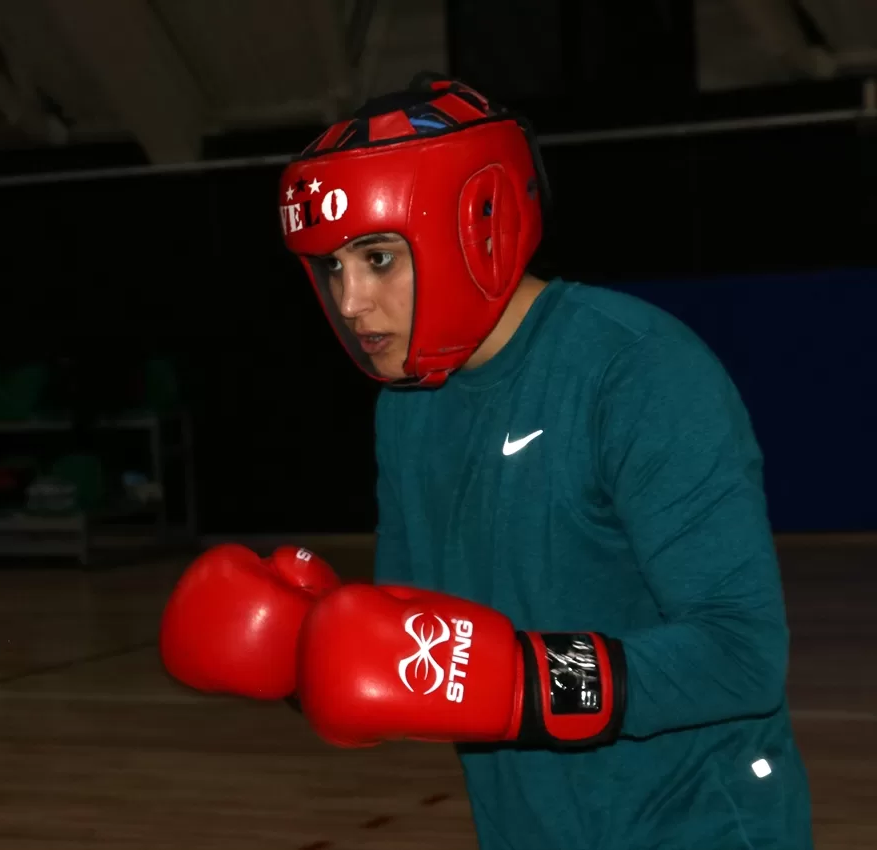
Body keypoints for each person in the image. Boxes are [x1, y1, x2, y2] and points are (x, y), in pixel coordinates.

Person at [161, 73, 813, 850]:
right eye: (332, 267)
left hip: (695, 826)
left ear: (478, 226)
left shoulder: (636, 369)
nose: (351, 300)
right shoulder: (407, 404)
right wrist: (301, 656)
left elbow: (742, 655)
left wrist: (526, 683)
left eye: (377, 258)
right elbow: (432, 662)